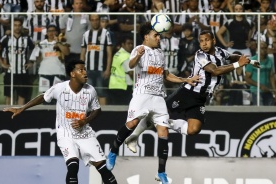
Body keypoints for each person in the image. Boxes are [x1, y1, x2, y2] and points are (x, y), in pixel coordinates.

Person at [123, 30, 260, 155]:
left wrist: (250, 61)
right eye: (201, 41)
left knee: (193, 129)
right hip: (187, 93)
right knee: (157, 114)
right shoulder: (200, 55)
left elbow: (233, 56)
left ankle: (166, 122)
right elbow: (215, 70)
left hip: (201, 98)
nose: (204, 43)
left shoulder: (220, 52)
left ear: (214, 41)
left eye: (206, 40)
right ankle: (133, 136)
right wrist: (238, 65)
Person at [105, 22, 200, 184]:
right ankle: (113, 151)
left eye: (159, 35)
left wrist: (185, 80)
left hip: (158, 97)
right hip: (142, 95)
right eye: (155, 35)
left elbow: (166, 75)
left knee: (164, 133)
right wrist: (138, 56)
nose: (159, 38)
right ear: (146, 37)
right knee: (132, 123)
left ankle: (161, 172)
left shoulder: (160, 53)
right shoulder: (139, 49)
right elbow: (130, 65)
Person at [3, 60, 118, 184]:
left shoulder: (90, 90)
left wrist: (85, 120)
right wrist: (22, 108)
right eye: (81, 70)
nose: (85, 73)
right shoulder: (60, 88)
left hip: (84, 133)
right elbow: (43, 96)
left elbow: (97, 110)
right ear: (72, 74)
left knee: (103, 169)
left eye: (85, 69)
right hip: (65, 133)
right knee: (73, 167)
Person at [80, 14, 113, 105]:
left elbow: (109, 53)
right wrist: (81, 69)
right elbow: (83, 53)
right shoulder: (86, 34)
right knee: (87, 93)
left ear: (99, 20)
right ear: (90, 21)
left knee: (101, 92)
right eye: (93, 20)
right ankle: (88, 114)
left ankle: (103, 115)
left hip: (101, 69)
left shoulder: (106, 33)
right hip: (88, 69)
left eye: (96, 19)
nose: (95, 21)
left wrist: (107, 69)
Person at [245, 41, 276, 106]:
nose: (264, 50)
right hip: (256, 91)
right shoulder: (252, 60)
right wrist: (260, 86)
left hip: (268, 90)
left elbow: (271, 77)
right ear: (257, 49)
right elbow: (247, 78)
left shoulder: (270, 60)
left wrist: (274, 90)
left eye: (265, 48)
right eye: (262, 48)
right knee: (260, 109)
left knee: (269, 110)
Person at [108, 35, 134, 105]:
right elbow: (131, 73)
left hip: (113, 85)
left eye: (132, 43)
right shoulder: (126, 56)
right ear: (123, 44)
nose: (131, 45)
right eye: (128, 43)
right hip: (123, 87)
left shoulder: (117, 54)